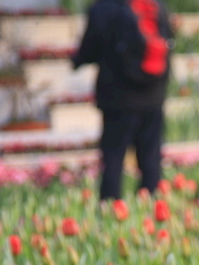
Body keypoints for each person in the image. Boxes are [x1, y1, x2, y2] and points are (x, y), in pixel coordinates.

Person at [72, 0, 172, 200]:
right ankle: (151, 209)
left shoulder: (103, 8)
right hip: (153, 97)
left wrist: (76, 61)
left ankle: (111, 211)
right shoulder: (155, 5)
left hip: (117, 100)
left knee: (113, 160)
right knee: (150, 161)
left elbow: (89, 49)